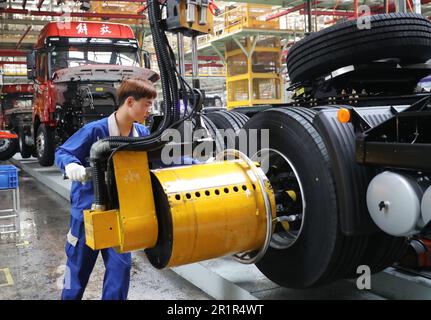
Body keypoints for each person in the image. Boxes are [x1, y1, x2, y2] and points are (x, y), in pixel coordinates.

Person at [55, 78, 156, 300]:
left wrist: (199, 162)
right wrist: (71, 165)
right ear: (130, 102)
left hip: (120, 215)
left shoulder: (141, 134)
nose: (150, 110)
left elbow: (163, 159)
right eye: (147, 104)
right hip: (86, 216)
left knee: (121, 270)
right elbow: (63, 152)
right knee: (75, 270)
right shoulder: (95, 131)